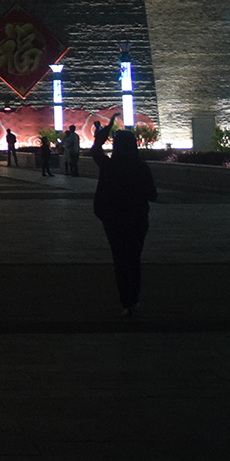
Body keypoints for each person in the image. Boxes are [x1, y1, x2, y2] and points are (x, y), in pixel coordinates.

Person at [90, 119, 158, 314]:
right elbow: (152, 195)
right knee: (134, 259)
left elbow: (95, 152)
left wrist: (102, 135)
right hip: (136, 218)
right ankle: (134, 298)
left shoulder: (110, 166)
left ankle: (126, 301)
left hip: (114, 218)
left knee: (119, 259)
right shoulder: (141, 168)